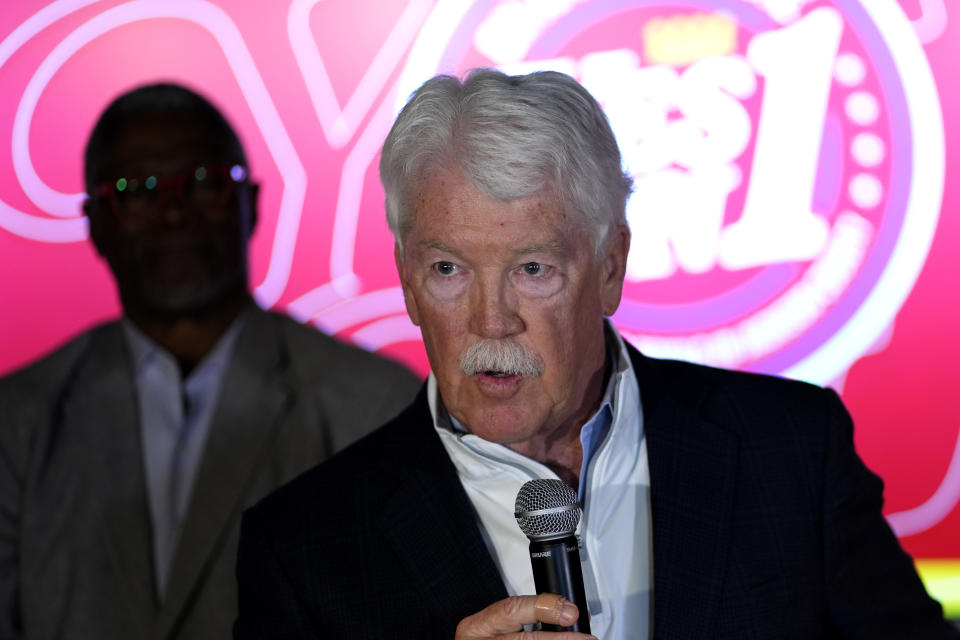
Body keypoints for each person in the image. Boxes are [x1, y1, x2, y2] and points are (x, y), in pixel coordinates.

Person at [234, 70, 959, 639]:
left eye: (533, 269)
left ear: (611, 266)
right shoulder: (305, 545)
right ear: (407, 279)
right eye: (449, 270)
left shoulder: (791, 451)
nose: (492, 320)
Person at [0, 83, 419, 640]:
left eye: (202, 184)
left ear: (252, 204)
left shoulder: (376, 405)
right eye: (137, 190)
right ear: (96, 222)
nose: (173, 212)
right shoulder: (18, 420)